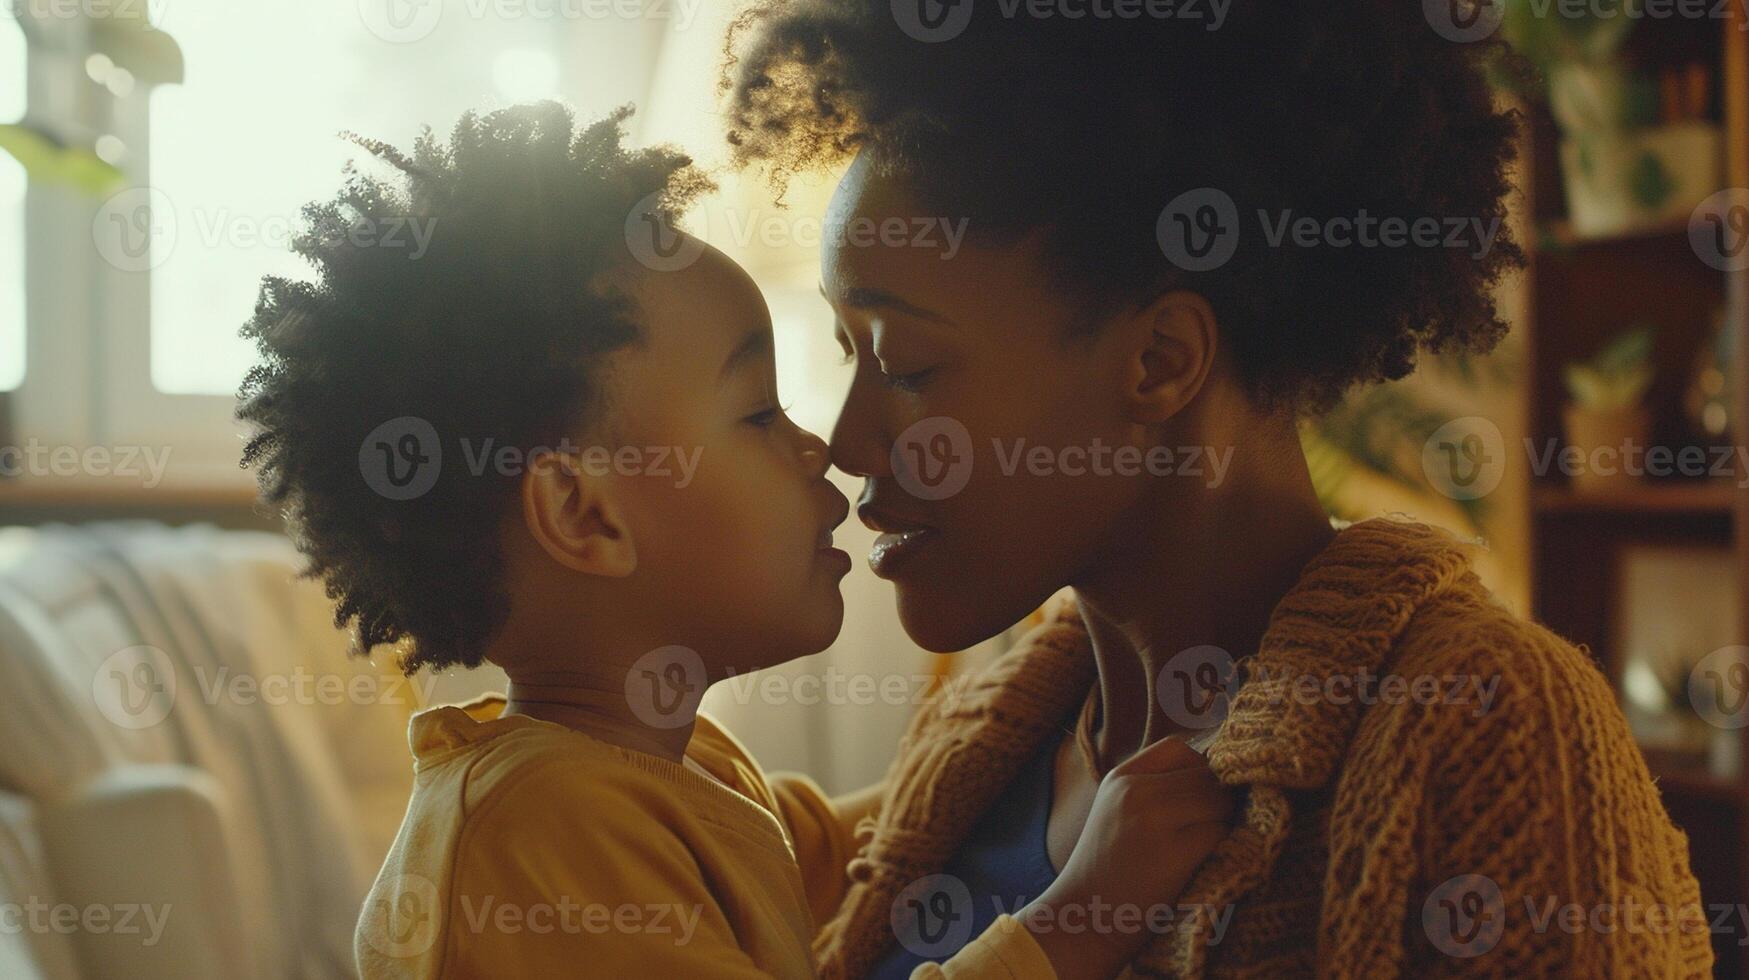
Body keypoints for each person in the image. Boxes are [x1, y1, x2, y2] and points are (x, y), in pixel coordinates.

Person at [722, 2, 1714, 976]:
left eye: (905, 365)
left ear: (1158, 360)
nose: (846, 442)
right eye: (847, 350)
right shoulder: (982, 732)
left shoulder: (1487, 730)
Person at [236, 100, 1234, 979]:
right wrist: (1080, 917)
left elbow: (873, 838)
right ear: (587, 515)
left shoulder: (664, 771)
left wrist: (1015, 750)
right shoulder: (542, 836)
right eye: (758, 414)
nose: (825, 448)